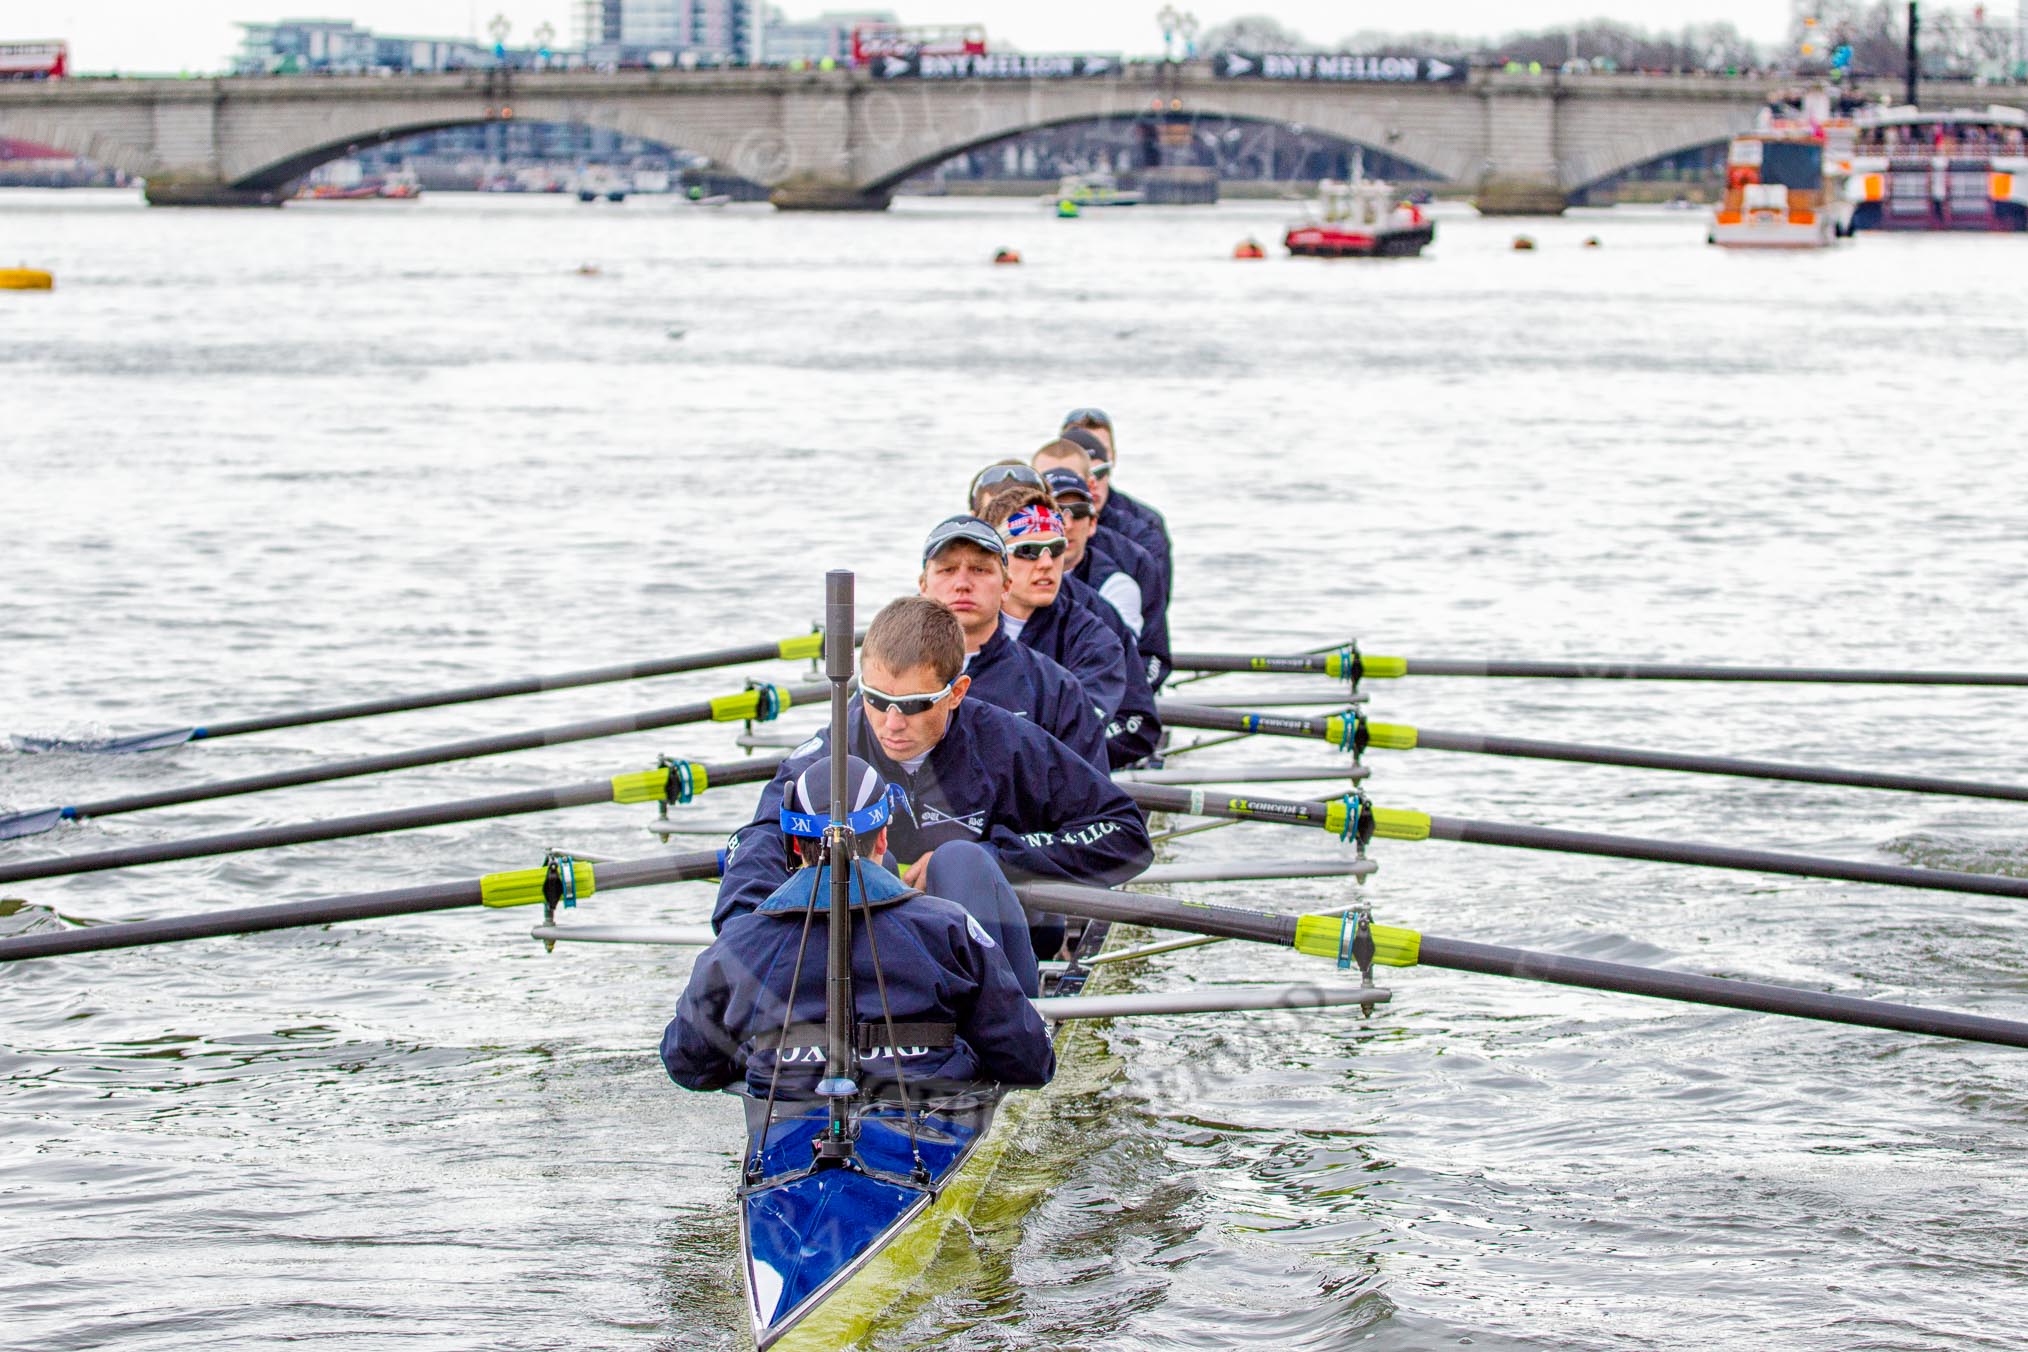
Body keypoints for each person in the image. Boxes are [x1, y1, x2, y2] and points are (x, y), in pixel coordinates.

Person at [713, 595, 1152, 985]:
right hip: (883, 951)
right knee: (866, 865)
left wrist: (999, 855)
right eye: (876, 699)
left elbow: (1126, 832)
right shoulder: (833, 748)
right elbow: (759, 837)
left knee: (959, 862)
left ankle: (1000, 1020)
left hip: (999, 933)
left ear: (957, 692)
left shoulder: (1006, 742)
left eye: (914, 704)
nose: (891, 723)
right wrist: (738, 940)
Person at [661, 755, 1055, 1098]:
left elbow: (687, 1063)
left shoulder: (739, 944)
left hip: (789, 1120)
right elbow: (1031, 1061)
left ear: (796, 846)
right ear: (883, 838)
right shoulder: (950, 929)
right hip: (932, 1115)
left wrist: (764, 1052)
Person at [979, 485, 1160, 767]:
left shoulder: (1094, 632)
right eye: (1028, 551)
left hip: (1062, 781)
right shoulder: (955, 621)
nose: (1046, 564)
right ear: (993, 557)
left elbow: (1134, 727)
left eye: (1056, 549)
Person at [918, 513, 1108, 769]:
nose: (962, 584)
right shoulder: (887, 682)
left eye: (979, 569)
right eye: (947, 570)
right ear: (923, 587)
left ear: (1006, 586)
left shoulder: (1056, 689)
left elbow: (1093, 803)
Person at [1034, 450, 1172, 690]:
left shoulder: (1117, 582)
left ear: (1092, 523)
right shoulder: (1007, 578)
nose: (1066, 524)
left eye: (1077, 512)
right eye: (1056, 512)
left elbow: (1130, 666)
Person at [1061, 409, 1173, 610]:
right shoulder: (1035, 521)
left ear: (1112, 458)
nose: (1090, 477)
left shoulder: (1145, 526)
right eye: (1080, 457)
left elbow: (1155, 607)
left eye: (1099, 457)